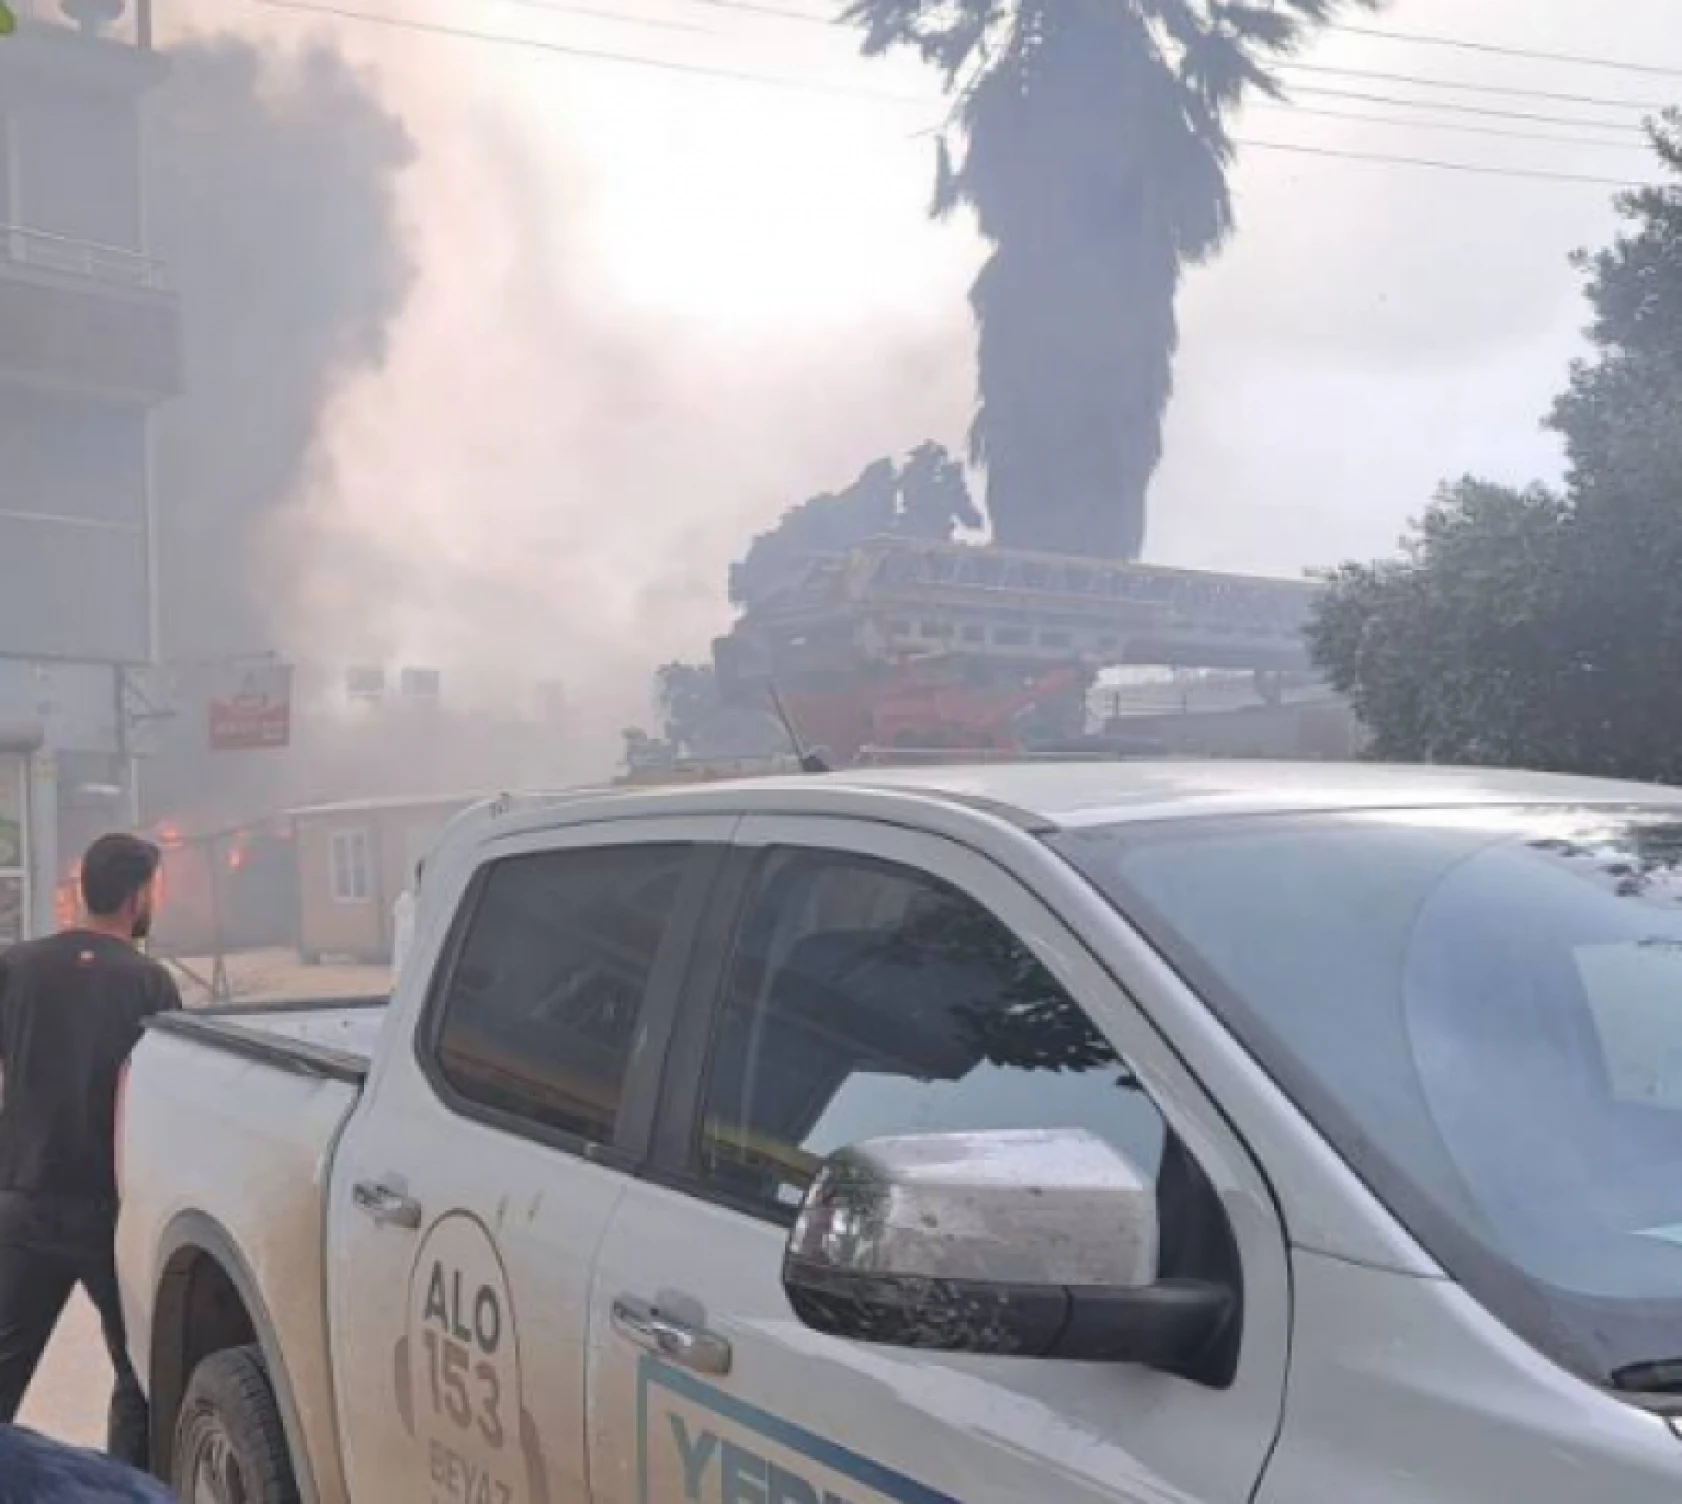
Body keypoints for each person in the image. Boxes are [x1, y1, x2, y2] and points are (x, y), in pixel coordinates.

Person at [0, 834, 180, 1468]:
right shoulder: (149, 982)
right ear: (136, 897)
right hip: (112, 1209)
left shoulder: (16, 967)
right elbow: (166, 1096)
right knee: (140, 1376)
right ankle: (124, 1485)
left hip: (23, 1202)